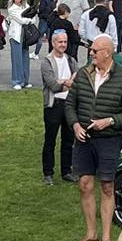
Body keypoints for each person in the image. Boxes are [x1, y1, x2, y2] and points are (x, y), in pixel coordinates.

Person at [66, 34, 122, 241]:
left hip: (109, 140)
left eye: (95, 51)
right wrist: (75, 125)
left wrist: (110, 121)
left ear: (107, 53)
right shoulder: (84, 74)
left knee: (107, 186)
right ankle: (90, 234)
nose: (91, 54)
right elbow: (70, 104)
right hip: (84, 139)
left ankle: (107, 238)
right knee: (84, 184)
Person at [40, 29, 77, 185]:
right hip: (53, 105)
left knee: (68, 140)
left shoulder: (71, 60)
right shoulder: (47, 61)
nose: (63, 45)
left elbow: (78, 80)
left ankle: (66, 171)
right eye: (60, 42)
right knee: (50, 140)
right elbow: (53, 86)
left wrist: (64, 81)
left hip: (69, 105)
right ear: (53, 43)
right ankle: (48, 173)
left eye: (65, 42)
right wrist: (68, 82)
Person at [4, 0, 33, 89]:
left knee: (25, 58)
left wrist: (29, 19)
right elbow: (21, 20)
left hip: (26, 35)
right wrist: (28, 19)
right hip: (16, 36)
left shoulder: (26, 6)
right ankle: (17, 81)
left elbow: (33, 17)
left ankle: (25, 80)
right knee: (17, 59)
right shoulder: (11, 9)